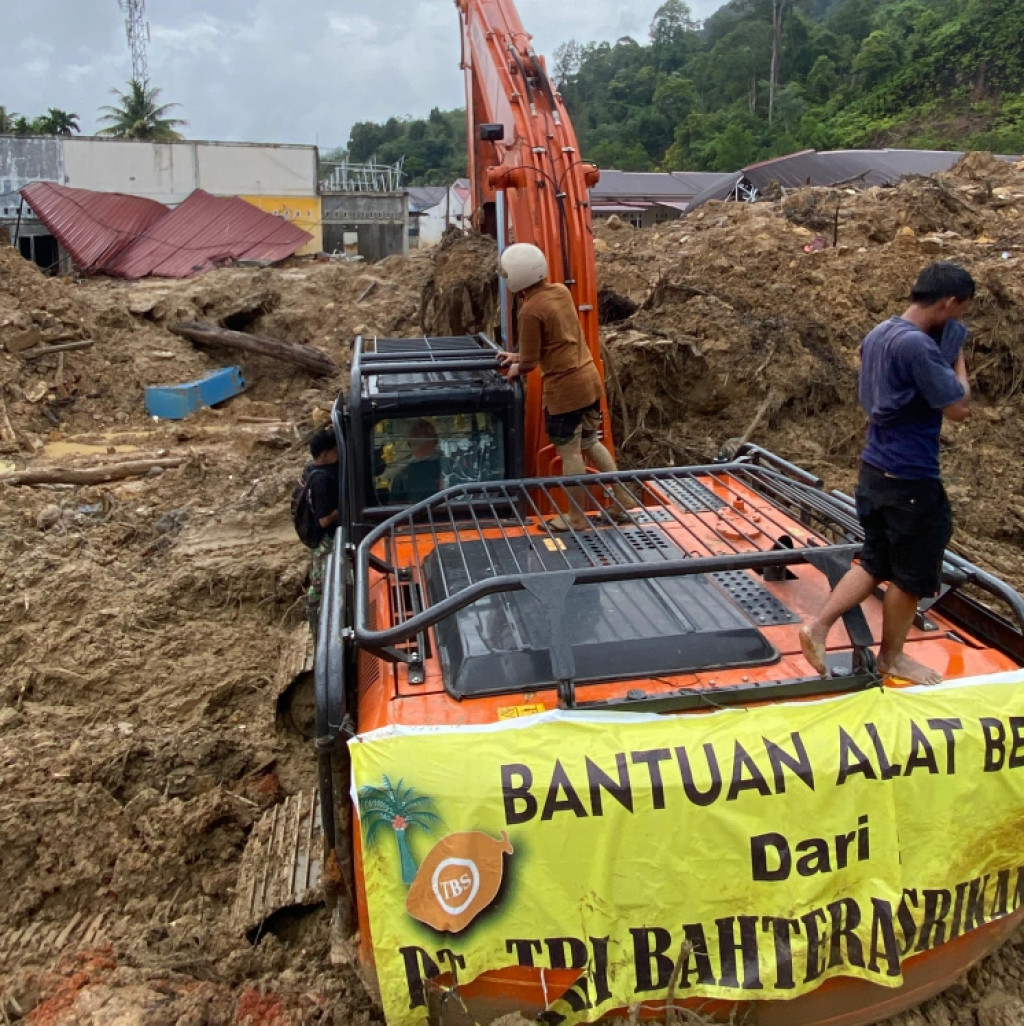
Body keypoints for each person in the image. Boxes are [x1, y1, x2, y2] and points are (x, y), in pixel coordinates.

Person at [800, 262, 974, 685]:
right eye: (960, 311)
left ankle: (817, 625)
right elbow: (959, 408)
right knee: (910, 575)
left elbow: (868, 371)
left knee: (875, 560)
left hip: (874, 470)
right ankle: (892, 657)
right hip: (910, 477)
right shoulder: (919, 347)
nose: (959, 319)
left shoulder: (879, 333)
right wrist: (958, 357)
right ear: (949, 302)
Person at [497, 242, 633, 530]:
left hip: (565, 391)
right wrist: (518, 356)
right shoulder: (560, 291)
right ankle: (623, 500)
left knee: (570, 452)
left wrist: (515, 368)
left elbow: (532, 364)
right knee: (591, 442)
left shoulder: (530, 310)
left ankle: (576, 516)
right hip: (589, 381)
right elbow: (556, 341)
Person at [305, 426, 340, 637]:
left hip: (323, 541)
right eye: (335, 450)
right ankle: (319, 631)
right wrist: (344, 506)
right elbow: (324, 519)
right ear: (325, 453)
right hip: (325, 542)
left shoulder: (312, 470)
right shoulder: (320, 480)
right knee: (321, 587)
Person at [390, 418, 444, 503]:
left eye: (425, 436)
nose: (422, 444)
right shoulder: (451, 468)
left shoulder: (403, 476)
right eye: (418, 438)